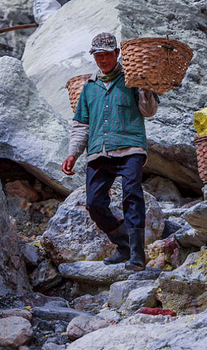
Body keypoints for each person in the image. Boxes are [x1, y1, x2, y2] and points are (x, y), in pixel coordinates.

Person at [62, 32, 158, 271]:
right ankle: (122, 244)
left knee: (132, 195)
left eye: (107, 55)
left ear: (117, 54)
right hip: (98, 151)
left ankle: (137, 255)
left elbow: (149, 111)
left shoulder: (132, 80)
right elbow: (81, 125)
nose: (103, 60)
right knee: (94, 203)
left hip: (130, 147)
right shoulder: (89, 88)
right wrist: (73, 153)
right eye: (98, 56)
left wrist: (145, 87)